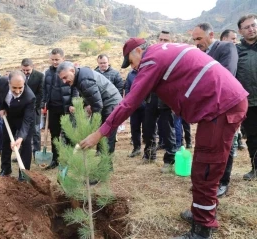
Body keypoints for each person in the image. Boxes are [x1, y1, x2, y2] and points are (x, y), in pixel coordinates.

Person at [79, 38, 248, 239]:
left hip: (221, 106)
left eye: (131, 61)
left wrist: (100, 133)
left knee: (206, 170)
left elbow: (130, 102)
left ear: (138, 51)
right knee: (202, 168)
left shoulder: (151, 60)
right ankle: (201, 214)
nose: (133, 67)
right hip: (221, 103)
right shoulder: (164, 51)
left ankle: (202, 230)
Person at [191, 22, 239, 198]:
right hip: (209, 110)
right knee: (210, 147)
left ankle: (223, 182)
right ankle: (208, 182)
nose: (196, 42)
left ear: (211, 35)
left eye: (199, 38)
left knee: (226, 145)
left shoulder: (226, 48)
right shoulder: (199, 54)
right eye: (194, 39)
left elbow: (226, 77)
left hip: (227, 107)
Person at [57, 61, 122, 155]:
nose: (64, 81)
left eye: (65, 77)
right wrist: (82, 106)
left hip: (111, 103)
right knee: (102, 133)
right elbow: (91, 96)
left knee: (106, 135)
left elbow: (97, 105)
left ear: (72, 70)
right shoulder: (79, 77)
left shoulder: (84, 80)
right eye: (61, 79)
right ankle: (101, 160)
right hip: (105, 103)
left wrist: (91, 128)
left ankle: (106, 165)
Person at [142, 30, 178, 173]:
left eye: (166, 40)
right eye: (161, 39)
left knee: (167, 130)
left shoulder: (176, 57)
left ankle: (169, 161)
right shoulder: (152, 54)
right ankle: (150, 155)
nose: (163, 42)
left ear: (171, 41)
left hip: (167, 100)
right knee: (148, 129)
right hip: (151, 97)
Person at [0, 71, 35, 181]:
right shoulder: (2, 82)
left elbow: (27, 121)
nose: (17, 91)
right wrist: (1, 108)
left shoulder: (30, 97)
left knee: (26, 144)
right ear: (8, 83)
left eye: (20, 88)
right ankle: (6, 168)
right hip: (9, 116)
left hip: (24, 119)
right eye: (14, 88)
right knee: (6, 141)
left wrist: (20, 137)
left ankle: (24, 173)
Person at [42, 48, 78, 169]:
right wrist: (44, 102)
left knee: (68, 134)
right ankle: (55, 160)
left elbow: (75, 89)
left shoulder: (69, 70)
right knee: (55, 135)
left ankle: (69, 160)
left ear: (63, 58)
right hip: (53, 108)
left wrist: (74, 103)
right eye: (52, 59)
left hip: (67, 108)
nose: (55, 62)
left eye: (57, 59)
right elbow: (45, 89)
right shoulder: (47, 73)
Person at [236, 14, 257, 180]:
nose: (251, 29)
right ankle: (255, 168)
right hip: (248, 102)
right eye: (247, 27)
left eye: (254, 25)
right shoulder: (236, 51)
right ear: (240, 31)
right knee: (252, 137)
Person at [20, 58, 44, 159]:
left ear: (32, 67)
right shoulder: (18, 75)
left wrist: (34, 105)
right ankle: (22, 154)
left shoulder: (39, 76)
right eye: (23, 70)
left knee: (36, 132)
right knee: (21, 132)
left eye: (27, 70)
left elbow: (41, 93)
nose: (25, 72)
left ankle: (36, 154)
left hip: (34, 109)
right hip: (21, 110)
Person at [124, 69, 145, 157]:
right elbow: (127, 89)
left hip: (146, 106)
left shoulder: (147, 71)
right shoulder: (130, 75)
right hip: (134, 107)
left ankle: (149, 152)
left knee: (148, 129)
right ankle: (136, 148)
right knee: (134, 128)